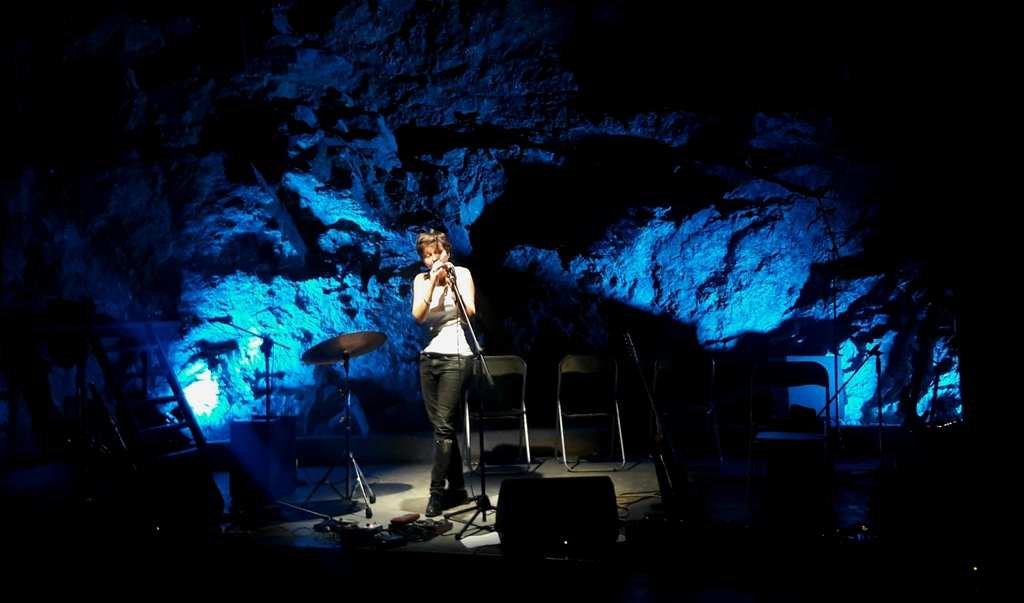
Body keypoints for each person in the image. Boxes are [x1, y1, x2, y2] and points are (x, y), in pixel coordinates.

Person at [411, 229, 477, 517]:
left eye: (437, 253)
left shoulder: (461, 274)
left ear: (447, 252)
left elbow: (470, 311)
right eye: (427, 256)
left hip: (457, 355)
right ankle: (458, 487)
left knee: (444, 427)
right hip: (429, 358)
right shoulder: (421, 280)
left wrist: (450, 284)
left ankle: (436, 492)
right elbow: (418, 316)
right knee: (442, 427)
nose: (433, 259)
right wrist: (432, 285)